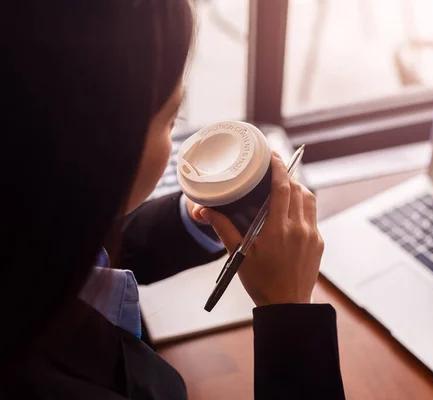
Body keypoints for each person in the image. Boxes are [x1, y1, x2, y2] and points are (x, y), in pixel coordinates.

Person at [0, 1, 345, 399]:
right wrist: (289, 314)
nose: (176, 138)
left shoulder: (27, 227)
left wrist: (193, 221)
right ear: (95, 147)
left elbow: (79, 252)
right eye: (170, 120)